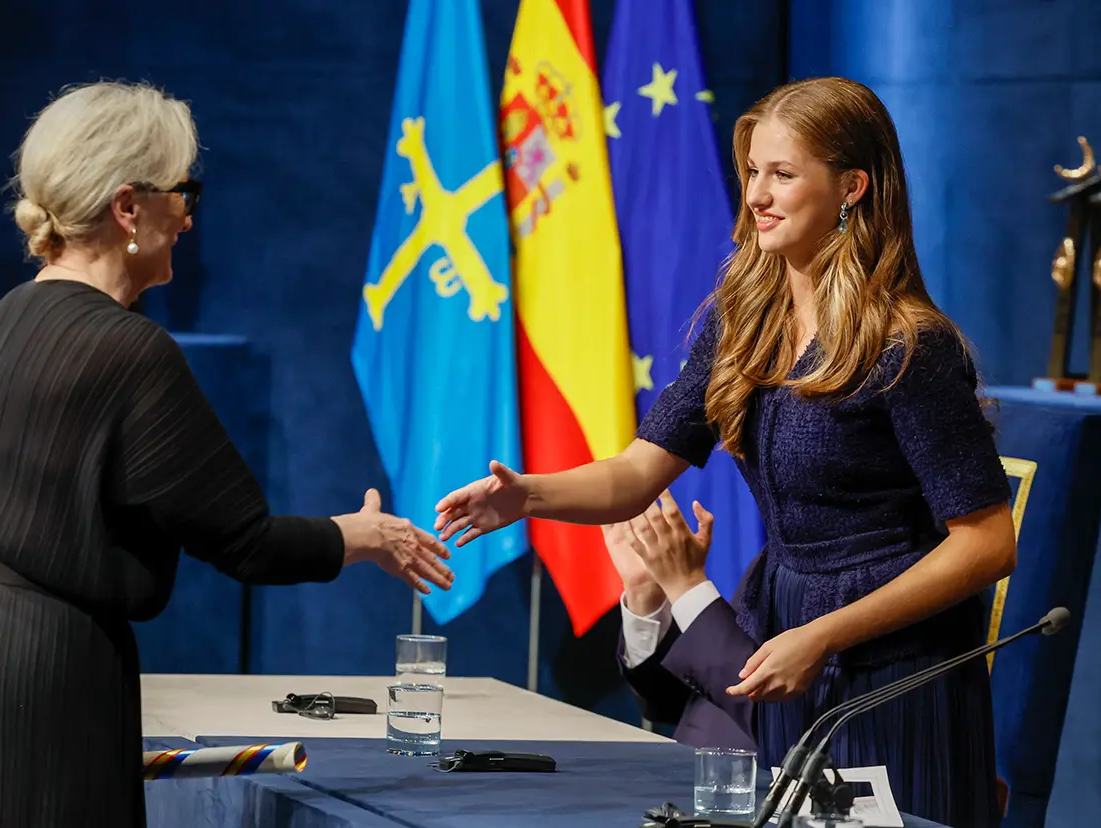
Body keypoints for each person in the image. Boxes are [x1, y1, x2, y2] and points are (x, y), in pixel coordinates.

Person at [434, 77, 1016, 827]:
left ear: (852, 187)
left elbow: (987, 543)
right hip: (781, 629)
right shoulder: (743, 322)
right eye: (751, 173)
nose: (758, 197)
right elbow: (638, 472)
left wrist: (824, 634)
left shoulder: (908, 345)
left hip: (891, 669)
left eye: (782, 174)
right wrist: (527, 497)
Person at [0, 80, 455, 828]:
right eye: (183, 192)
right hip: (41, 674)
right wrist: (360, 537)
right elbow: (244, 540)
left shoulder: (1, 322)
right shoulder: (130, 351)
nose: (190, 217)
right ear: (129, 208)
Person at [606, 489, 755, 752]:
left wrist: (687, 587)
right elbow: (669, 701)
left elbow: (773, 712)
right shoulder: (780, 553)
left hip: (762, 786)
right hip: (683, 775)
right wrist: (645, 594)